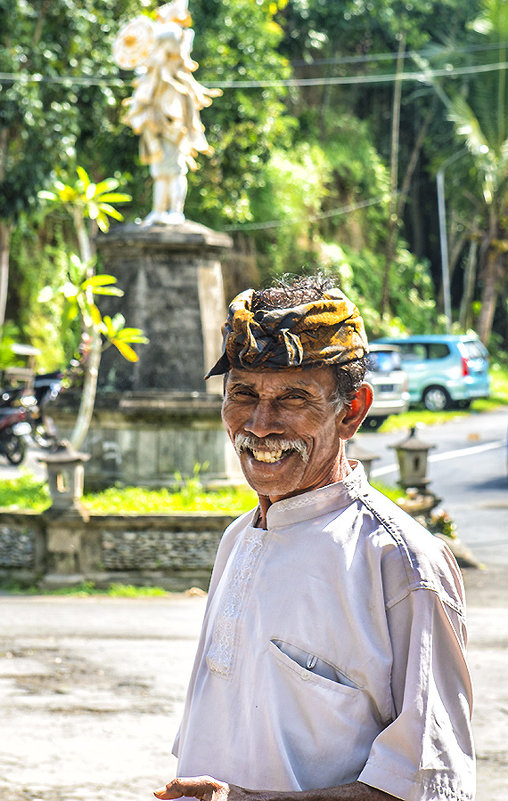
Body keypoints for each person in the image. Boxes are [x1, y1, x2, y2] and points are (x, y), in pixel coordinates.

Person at [154, 274, 475, 801]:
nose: (259, 425)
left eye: (294, 398)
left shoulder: (401, 563)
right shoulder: (239, 539)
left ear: (351, 411)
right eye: (244, 394)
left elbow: (430, 788)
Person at [113, 1, 221, 225]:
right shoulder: (157, 38)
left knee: (174, 167)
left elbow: (158, 37)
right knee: (159, 168)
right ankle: (159, 211)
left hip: (172, 111)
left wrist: (144, 27)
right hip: (153, 111)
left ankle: (176, 212)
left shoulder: (175, 33)